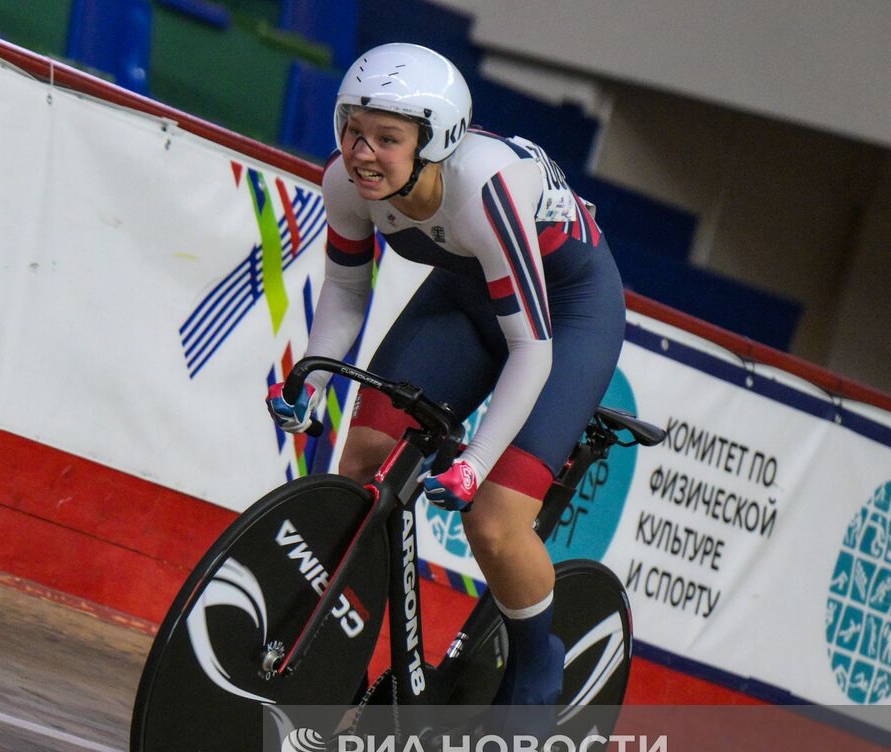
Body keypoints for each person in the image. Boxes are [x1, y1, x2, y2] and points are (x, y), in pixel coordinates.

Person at [266, 43, 626, 708]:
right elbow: (345, 298)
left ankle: (539, 662)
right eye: (353, 129)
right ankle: (343, 654)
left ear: (437, 141)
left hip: (568, 316)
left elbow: (532, 350)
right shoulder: (344, 182)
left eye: (387, 138)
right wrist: (308, 382)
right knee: (362, 467)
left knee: (493, 521)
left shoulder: (482, 188)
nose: (362, 151)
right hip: (467, 295)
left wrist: (477, 461)